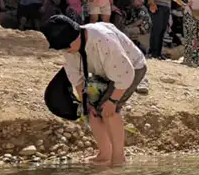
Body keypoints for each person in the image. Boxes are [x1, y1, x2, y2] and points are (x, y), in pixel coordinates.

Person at [41, 15, 147, 166]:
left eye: (66, 47)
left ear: (76, 36)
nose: (65, 51)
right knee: (92, 111)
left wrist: (112, 100)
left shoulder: (104, 41)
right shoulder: (69, 46)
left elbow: (125, 74)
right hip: (102, 70)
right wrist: (86, 101)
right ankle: (104, 154)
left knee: (109, 111)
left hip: (131, 68)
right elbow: (76, 76)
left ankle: (118, 158)